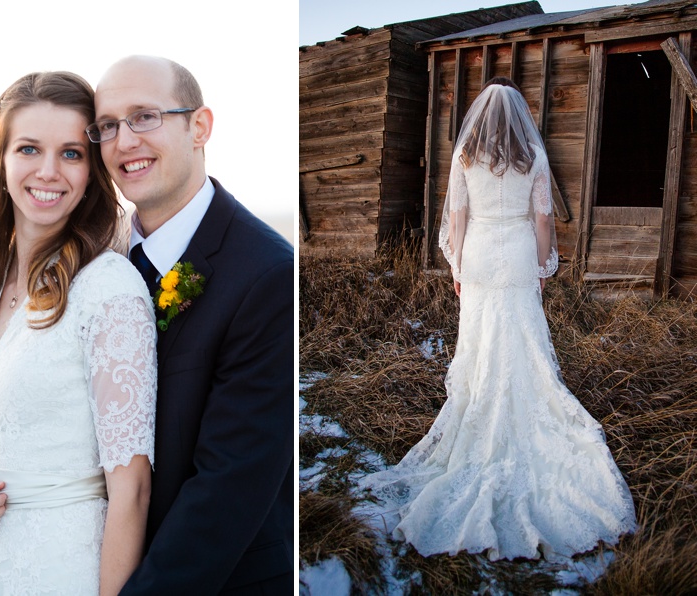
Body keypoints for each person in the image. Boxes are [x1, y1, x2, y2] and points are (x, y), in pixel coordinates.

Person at [0, 71, 158, 595]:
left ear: (92, 170)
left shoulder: (108, 290)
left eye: (70, 153)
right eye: (28, 149)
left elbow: (130, 490)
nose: (49, 171)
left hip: (63, 570)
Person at [361, 78, 636, 562]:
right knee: (522, 338)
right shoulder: (532, 152)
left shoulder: (466, 152)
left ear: (481, 117)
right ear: (518, 116)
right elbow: (544, 218)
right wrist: (543, 264)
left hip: (482, 253)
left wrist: (457, 267)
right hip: (516, 250)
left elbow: (459, 215)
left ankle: (481, 403)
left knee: (481, 338)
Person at [89, 55, 294, 594]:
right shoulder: (94, 266)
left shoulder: (267, 274)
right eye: (107, 125)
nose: (123, 140)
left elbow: (228, 488)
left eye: (144, 116)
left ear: (199, 126)